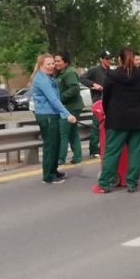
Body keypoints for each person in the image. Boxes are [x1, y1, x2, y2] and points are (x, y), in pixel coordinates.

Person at [92, 47, 140, 194]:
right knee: (136, 152)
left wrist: (109, 112)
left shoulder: (112, 75)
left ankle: (104, 184)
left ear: (120, 60)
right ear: (134, 59)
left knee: (112, 152)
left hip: (117, 119)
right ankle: (132, 183)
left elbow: (106, 98)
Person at [31, 52, 77, 185]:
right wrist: (67, 114)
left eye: (53, 63)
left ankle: (53, 170)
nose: (52, 66)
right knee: (50, 146)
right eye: (48, 64)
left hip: (52, 115)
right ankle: (48, 176)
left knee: (56, 144)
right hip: (47, 116)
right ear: (41, 65)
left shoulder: (48, 77)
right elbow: (53, 100)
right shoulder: (42, 80)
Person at [80, 50, 114, 158]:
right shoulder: (94, 70)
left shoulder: (111, 72)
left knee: (109, 127)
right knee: (96, 126)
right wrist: (93, 84)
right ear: (101, 59)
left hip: (109, 102)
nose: (109, 61)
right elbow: (81, 78)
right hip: (98, 102)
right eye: (107, 58)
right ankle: (94, 150)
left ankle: (105, 148)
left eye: (110, 58)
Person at [54, 52, 84, 166]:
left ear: (65, 62)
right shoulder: (59, 74)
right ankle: (77, 157)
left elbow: (75, 88)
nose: (56, 63)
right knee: (72, 133)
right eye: (55, 61)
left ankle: (61, 159)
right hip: (68, 107)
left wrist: (60, 98)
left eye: (59, 61)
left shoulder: (69, 73)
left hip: (72, 107)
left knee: (63, 133)